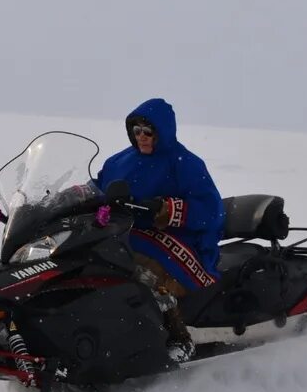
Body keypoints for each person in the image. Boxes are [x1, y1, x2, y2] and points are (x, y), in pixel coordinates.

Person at [94, 98, 226, 362]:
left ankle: (178, 337)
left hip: (179, 243)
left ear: (163, 131)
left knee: (140, 274)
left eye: (148, 132)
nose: (142, 137)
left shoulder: (185, 163)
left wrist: (165, 209)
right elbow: (98, 187)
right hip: (127, 235)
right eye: (137, 131)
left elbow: (211, 209)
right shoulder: (119, 161)